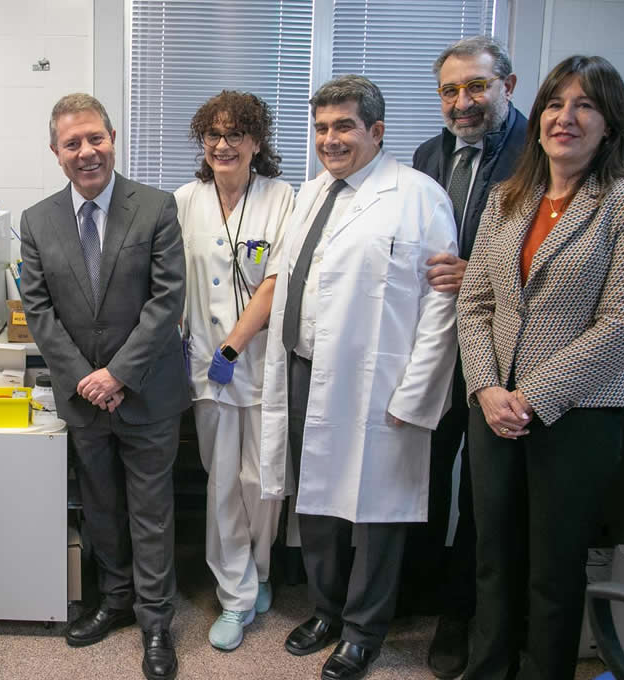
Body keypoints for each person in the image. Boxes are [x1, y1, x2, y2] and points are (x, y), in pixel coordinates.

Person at [458, 55, 624, 680]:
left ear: (610, 124)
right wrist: (487, 387)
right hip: (493, 410)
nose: (565, 118)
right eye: (555, 104)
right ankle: (487, 669)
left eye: (584, 106)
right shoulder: (507, 197)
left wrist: (531, 395)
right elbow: (475, 303)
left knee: (553, 567)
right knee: (492, 556)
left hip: (577, 414)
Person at [258, 75, 459, 680]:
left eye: (343, 126)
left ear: (376, 130)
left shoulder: (420, 197)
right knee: (314, 500)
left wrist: (419, 391)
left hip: (379, 382)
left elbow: (441, 303)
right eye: (320, 128)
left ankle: (365, 629)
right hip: (303, 369)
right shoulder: (314, 189)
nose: (330, 139)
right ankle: (325, 608)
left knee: (377, 509)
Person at [19, 93, 189, 680]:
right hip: (83, 397)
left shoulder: (157, 207)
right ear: (55, 152)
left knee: (151, 511)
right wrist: (86, 381)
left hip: (147, 392)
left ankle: (156, 622)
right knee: (100, 507)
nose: (87, 152)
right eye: (73, 143)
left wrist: (118, 373)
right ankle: (114, 601)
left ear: (113, 137)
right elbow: (39, 311)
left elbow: (168, 301)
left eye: (96, 138)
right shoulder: (36, 220)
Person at [404, 35, 527, 678]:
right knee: (422, 471)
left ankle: (459, 613)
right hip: (434, 344)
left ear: (507, 83)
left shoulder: (536, 154)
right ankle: (419, 588)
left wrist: (473, 271)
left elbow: (537, 261)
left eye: (476, 86)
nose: (462, 102)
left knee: (480, 495)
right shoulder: (431, 153)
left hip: (504, 355)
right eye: (450, 90)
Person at [175, 91, 293, 651]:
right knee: (222, 481)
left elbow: (276, 281)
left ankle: (258, 572)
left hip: (258, 362)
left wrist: (233, 348)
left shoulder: (281, 198)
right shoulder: (184, 200)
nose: (223, 145)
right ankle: (235, 596)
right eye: (213, 134)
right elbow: (172, 281)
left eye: (235, 134)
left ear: (256, 142)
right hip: (206, 369)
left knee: (261, 484)